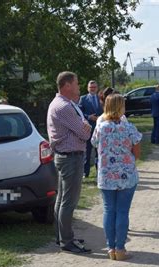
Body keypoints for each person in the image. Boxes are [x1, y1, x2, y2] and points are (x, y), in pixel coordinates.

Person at [91, 93, 142, 261]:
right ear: (121, 107)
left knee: (108, 210)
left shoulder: (100, 127)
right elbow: (137, 152)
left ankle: (110, 248)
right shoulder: (129, 128)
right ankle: (120, 248)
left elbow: (94, 144)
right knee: (122, 211)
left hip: (106, 175)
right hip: (126, 175)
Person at [46, 71, 92, 254]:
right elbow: (84, 133)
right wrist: (85, 127)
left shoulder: (61, 104)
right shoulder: (64, 107)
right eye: (76, 83)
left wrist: (83, 127)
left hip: (66, 157)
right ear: (67, 85)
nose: (78, 86)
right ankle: (67, 240)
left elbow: (81, 129)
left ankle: (62, 236)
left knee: (62, 199)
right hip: (70, 157)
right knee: (68, 201)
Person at [79, 80, 103, 178]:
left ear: (97, 88)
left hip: (100, 128)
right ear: (88, 88)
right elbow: (79, 113)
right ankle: (86, 172)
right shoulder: (83, 99)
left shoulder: (101, 98)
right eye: (90, 87)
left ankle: (99, 171)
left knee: (99, 152)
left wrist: (100, 118)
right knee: (87, 152)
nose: (92, 89)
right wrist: (89, 117)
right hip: (87, 129)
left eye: (94, 87)